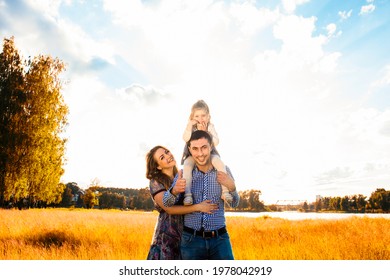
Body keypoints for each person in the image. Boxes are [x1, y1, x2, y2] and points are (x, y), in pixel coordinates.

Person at [163, 130, 240, 260]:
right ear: (189, 150)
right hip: (191, 241)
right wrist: (174, 191)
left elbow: (234, 204)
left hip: (220, 240)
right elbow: (166, 203)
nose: (200, 154)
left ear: (210, 146)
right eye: (195, 149)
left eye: (204, 147)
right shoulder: (183, 174)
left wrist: (232, 187)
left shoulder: (223, 170)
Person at [145, 145, 218, 260]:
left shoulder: (184, 175)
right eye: (162, 157)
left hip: (186, 237)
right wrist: (198, 207)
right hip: (167, 238)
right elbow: (168, 208)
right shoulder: (156, 182)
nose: (168, 156)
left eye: (167, 152)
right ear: (158, 166)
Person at [181, 100, 233, 206]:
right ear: (192, 117)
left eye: (203, 115)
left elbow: (216, 142)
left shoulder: (210, 126)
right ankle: (187, 195)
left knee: (219, 163)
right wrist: (189, 126)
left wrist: (206, 133)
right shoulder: (191, 126)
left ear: (208, 117)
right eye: (197, 116)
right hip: (192, 154)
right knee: (187, 166)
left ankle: (225, 192)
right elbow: (185, 138)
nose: (200, 119)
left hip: (209, 154)